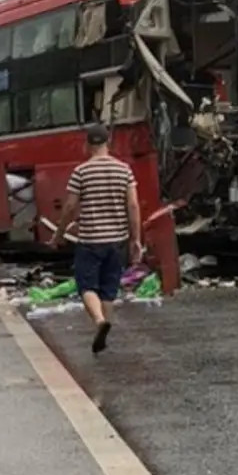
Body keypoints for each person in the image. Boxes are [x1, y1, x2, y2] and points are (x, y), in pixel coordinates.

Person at [54, 123, 142, 354]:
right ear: (108, 143)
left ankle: (100, 323)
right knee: (108, 289)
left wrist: (59, 234)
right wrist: (136, 239)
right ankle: (103, 333)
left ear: (87, 145)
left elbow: (70, 205)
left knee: (87, 287)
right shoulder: (124, 170)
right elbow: (133, 205)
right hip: (117, 240)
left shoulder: (81, 172)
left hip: (90, 240)